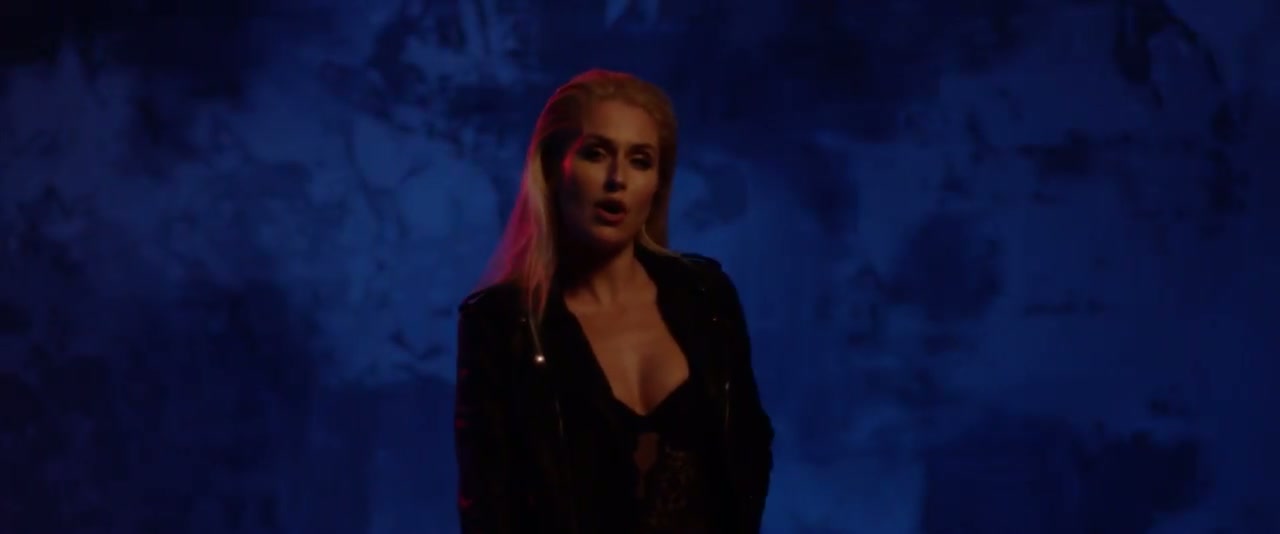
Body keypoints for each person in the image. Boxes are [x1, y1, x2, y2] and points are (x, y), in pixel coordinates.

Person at [453, 68, 774, 533]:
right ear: (553, 168)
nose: (618, 179)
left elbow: (749, 450)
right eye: (596, 153)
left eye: (640, 161)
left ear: (658, 184)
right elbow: (489, 510)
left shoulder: (705, 294)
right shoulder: (502, 325)